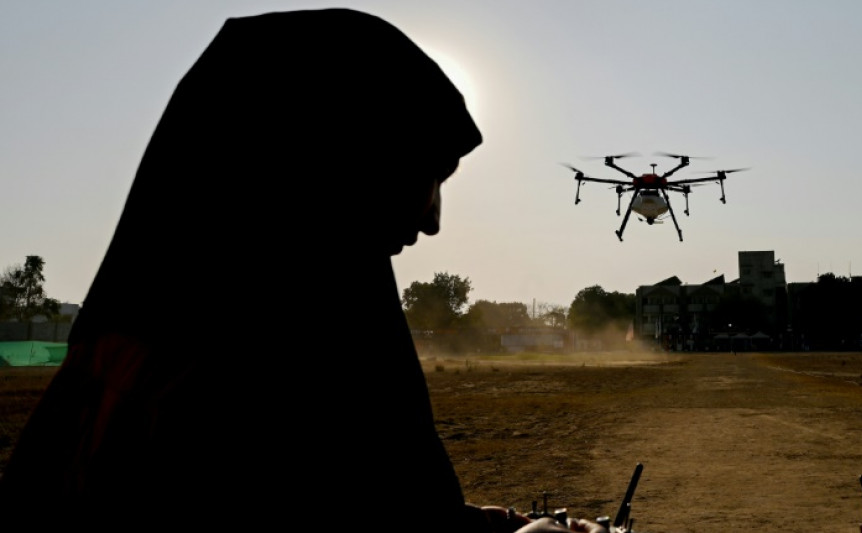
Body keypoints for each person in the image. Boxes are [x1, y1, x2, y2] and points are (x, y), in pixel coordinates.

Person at [0, 8, 607, 532]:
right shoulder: (266, 378)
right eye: (432, 177)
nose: (433, 223)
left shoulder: (125, 371)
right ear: (349, 157)